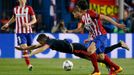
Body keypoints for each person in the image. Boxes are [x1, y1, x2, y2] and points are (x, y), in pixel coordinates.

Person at [66, 0, 127, 75]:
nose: (76, 8)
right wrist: (71, 31)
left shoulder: (90, 13)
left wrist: (117, 24)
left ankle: (96, 71)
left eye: (77, 7)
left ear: (80, 8)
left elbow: (105, 17)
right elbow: (83, 29)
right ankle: (117, 68)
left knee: (90, 51)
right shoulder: (83, 17)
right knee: (101, 57)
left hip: (101, 35)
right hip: (96, 37)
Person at [15, 34, 129, 73]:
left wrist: (31, 54)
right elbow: (37, 46)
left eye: (40, 41)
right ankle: (115, 61)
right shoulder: (49, 41)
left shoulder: (49, 42)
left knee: (98, 56)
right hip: (75, 50)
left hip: (76, 48)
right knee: (99, 56)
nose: (39, 43)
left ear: (43, 40)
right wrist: (23, 49)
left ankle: (100, 71)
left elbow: (42, 48)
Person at [1, 0, 37, 71]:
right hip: (19, 32)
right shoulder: (15, 9)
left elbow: (34, 20)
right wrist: (7, 24)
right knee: (24, 47)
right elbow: (14, 18)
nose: (23, 0)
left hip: (28, 32)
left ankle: (30, 52)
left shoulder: (29, 8)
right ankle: (29, 65)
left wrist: (28, 24)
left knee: (30, 48)